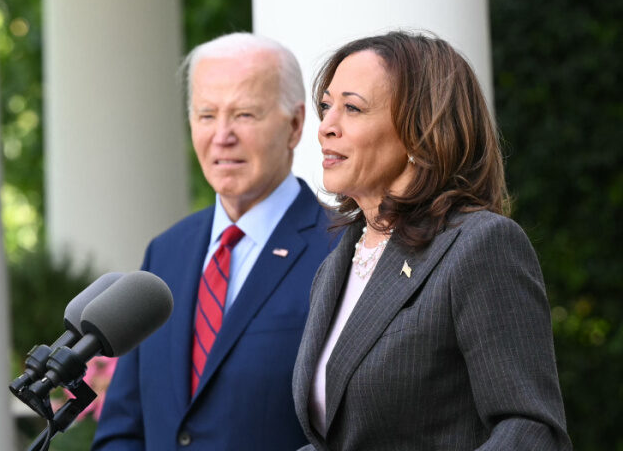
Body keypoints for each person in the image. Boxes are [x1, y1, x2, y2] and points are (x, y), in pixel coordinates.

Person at [292, 31, 572, 450]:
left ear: (420, 131)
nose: (326, 128)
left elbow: (530, 429)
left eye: (352, 108)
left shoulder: (480, 246)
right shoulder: (335, 266)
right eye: (327, 106)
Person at [92, 33, 336, 450]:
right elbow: (122, 429)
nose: (222, 135)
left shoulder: (341, 248)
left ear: (294, 125)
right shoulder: (166, 252)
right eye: (206, 115)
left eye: (244, 114)